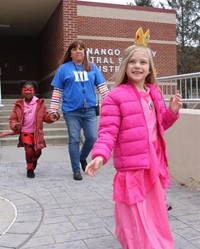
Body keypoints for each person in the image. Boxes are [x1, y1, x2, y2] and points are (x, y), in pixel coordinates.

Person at [85, 28, 182, 248]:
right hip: (132, 166)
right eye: (132, 62)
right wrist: (100, 155)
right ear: (125, 66)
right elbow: (108, 131)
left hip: (153, 163)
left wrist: (173, 111)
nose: (137, 66)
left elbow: (160, 126)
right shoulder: (115, 97)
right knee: (134, 213)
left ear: (149, 69)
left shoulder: (154, 93)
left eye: (143, 63)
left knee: (154, 211)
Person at [49, 39, 109, 181]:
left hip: (89, 110)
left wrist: (112, 103)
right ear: (70, 53)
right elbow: (57, 91)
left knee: (93, 137)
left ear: (84, 52)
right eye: (75, 49)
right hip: (71, 111)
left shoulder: (92, 67)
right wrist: (53, 110)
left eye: (81, 48)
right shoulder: (64, 69)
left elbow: (102, 88)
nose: (78, 51)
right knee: (74, 139)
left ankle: (82, 157)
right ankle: (76, 169)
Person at [0, 80, 60, 178]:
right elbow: (12, 119)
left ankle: (34, 160)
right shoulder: (18, 105)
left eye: (30, 89)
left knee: (37, 152)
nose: (28, 91)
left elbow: (45, 116)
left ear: (34, 91)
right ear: (22, 91)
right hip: (25, 132)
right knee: (29, 150)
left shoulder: (39, 103)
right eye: (25, 89)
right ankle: (30, 168)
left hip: (37, 133)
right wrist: (15, 125)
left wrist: (52, 117)